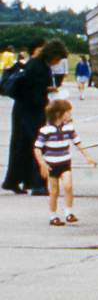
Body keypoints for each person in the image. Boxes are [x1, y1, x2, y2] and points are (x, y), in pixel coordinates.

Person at [4, 39, 64, 196]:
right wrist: (48, 102)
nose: (57, 62)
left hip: (23, 108)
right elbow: (37, 96)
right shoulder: (41, 68)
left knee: (23, 147)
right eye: (57, 59)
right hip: (33, 111)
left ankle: (12, 180)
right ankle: (39, 185)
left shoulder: (33, 64)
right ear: (52, 55)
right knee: (40, 146)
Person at [33, 98, 96, 225]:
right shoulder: (45, 131)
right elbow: (37, 148)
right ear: (58, 115)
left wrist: (87, 157)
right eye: (68, 112)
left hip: (65, 163)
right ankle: (53, 215)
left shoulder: (69, 128)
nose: (70, 115)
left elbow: (78, 142)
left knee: (68, 186)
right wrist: (42, 163)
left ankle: (68, 212)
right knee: (54, 191)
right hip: (51, 165)